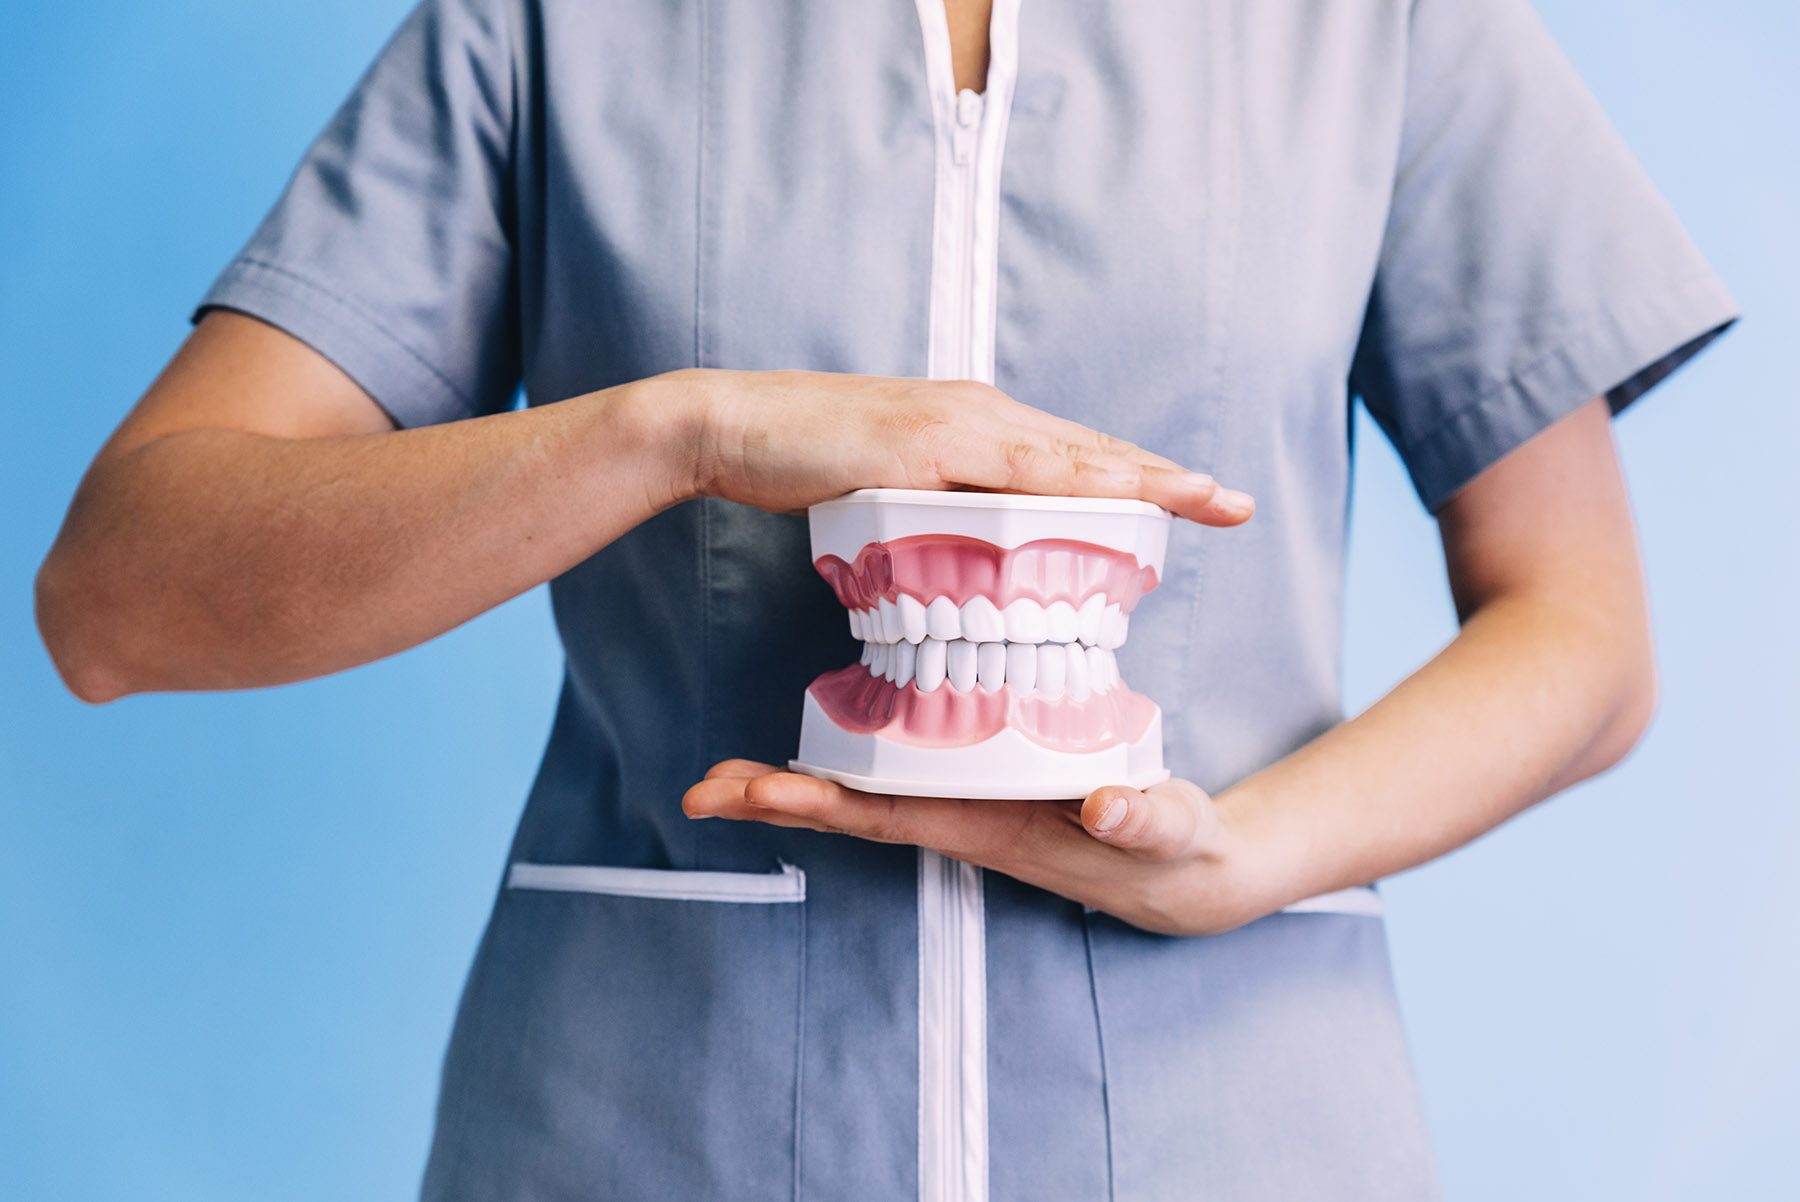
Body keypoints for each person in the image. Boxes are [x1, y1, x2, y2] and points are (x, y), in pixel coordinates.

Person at [35, 0, 1735, 1197]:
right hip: (636, 1130)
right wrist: (680, 428)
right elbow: (120, 593)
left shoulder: (1381, 18)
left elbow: (1581, 633)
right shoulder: (548, 21)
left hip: (1243, 1132)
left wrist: (1246, 857)